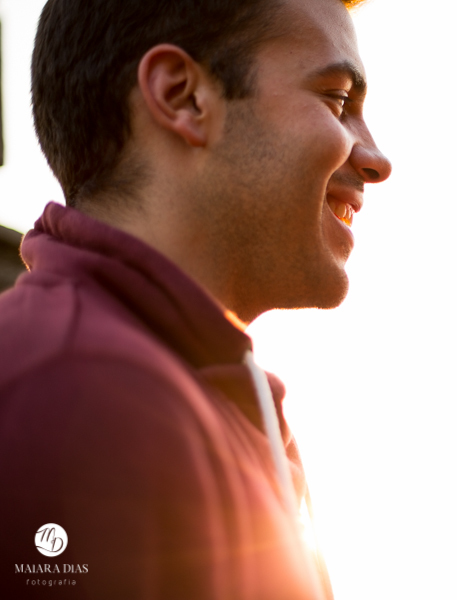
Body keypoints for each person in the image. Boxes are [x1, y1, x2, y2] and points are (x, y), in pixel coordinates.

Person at [0, 0, 390, 597]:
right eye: (337, 101)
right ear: (182, 97)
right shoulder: (67, 386)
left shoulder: (214, 394)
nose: (376, 159)